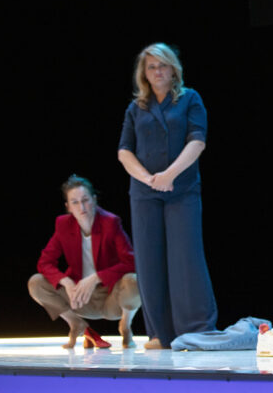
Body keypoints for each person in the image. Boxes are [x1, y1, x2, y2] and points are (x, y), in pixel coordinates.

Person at [118, 43, 217, 349]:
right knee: (149, 262)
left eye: (163, 65)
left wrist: (169, 175)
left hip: (181, 190)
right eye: (151, 67)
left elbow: (197, 142)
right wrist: (148, 178)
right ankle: (160, 333)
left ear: (173, 68)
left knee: (185, 259)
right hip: (144, 193)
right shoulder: (137, 108)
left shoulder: (190, 99)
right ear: (144, 74)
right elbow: (124, 151)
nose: (158, 71)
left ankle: (195, 330)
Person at [28, 175, 141, 349]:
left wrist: (96, 278)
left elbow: (131, 262)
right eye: (75, 202)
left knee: (134, 281)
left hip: (112, 299)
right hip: (79, 298)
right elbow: (45, 262)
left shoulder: (111, 223)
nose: (81, 207)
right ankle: (76, 324)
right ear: (68, 207)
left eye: (85, 200)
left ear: (94, 200)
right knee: (36, 282)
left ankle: (125, 327)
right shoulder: (63, 225)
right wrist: (66, 282)